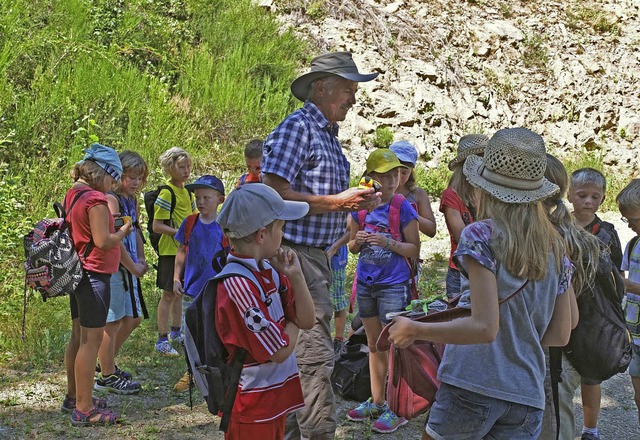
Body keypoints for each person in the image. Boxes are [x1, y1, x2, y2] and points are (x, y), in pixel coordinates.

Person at [386, 128, 575, 439]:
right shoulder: (555, 246)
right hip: (526, 393)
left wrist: (416, 330)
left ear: (482, 189)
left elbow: (485, 327)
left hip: (473, 382)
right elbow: (560, 332)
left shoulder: (480, 236)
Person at [262, 51, 380, 440]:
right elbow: (271, 194)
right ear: (321, 87)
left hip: (312, 257)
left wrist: (357, 202)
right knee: (313, 358)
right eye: (347, 89)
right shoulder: (300, 128)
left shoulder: (325, 133)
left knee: (304, 359)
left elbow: (310, 196)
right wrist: (338, 202)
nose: (353, 98)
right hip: (295, 256)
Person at [215, 183, 315, 440]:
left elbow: (307, 319)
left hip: (273, 399)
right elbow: (280, 351)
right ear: (262, 235)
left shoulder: (270, 270)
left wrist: (296, 275)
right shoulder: (238, 285)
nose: (283, 234)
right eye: (280, 228)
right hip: (252, 407)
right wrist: (291, 324)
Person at [346, 148, 420, 433]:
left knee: (396, 347)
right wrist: (360, 240)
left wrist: (389, 243)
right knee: (375, 345)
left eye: (395, 175)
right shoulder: (360, 207)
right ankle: (377, 401)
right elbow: (352, 246)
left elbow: (414, 248)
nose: (391, 181)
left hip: (393, 285)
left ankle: (398, 407)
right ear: (371, 177)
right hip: (367, 284)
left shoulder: (403, 206)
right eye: (384, 176)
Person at [62, 143, 132, 426]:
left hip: (78, 272)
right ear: (102, 172)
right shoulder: (95, 200)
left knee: (78, 338)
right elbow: (103, 241)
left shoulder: (74, 193)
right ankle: (85, 409)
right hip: (94, 276)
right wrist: (123, 230)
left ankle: (74, 397)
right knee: (91, 342)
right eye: (112, 179)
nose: (112, 186)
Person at [558, 167, 624, 440]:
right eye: (582, 195)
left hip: (595, 312)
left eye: (594, 197)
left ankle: (591, 429)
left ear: (603, 199)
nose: (588, 201)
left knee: (592, 374)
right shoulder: (558, 227)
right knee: (561, 373)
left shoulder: (607, 233)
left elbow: (616, 275)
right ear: (570, 195)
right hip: (564, 307)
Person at [541, 154, 599, 439]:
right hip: (565, 343)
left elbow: (569, 318)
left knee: (554, 413)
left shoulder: (561, 240)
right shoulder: (573, 237)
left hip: (560, 348)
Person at [95, 150, 150, 394]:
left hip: (128, 267)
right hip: (115, 268)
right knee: (113, 322)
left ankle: (106, 364)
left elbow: (135, 230)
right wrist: (132, 265)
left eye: (140, 178)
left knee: (133, 318)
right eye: (131, 177)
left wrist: (142, 259)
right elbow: (115, 239)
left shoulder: (132, 200)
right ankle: (106, 374)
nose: (136, 183)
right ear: (119, 176)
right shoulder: (112, 199)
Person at [171, 175, 227, 392]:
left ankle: (217, 370)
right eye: (198, 198)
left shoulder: (224, 226)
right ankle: (191, 371)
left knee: (216, 330)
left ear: (220, 199)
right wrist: (177, 278)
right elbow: (181, 251)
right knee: (190, 332)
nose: (201, 202)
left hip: (217, 291)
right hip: (192, 290)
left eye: (206, 197)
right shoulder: (190, 223)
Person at [153, 147, 196, 357]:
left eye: (188, 166)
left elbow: (194, 218)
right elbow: (157, 226)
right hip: (170, 251)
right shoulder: (166, 192)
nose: (186, 171)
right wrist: (180, 233)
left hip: (185, 250)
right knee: (169, 294)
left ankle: (176, 332)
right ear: (170, 168)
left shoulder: (188, 192)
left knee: (179, 292)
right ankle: (162, 339)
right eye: (181, 167)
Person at [438, 134, 488, 299]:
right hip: (461, 269)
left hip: (489, 266)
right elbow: (462, 236)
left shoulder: (489, 190)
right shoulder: (451, 195)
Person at [616, 179, 640, 427]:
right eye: (627, 220)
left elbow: (629, 285)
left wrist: (632, 288)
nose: (631, 225)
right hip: (636, 335)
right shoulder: (633, 244)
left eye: (635, 219)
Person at [389, 140, 436, 237]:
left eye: (404, 172)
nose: (398, 176)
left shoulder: (418, 194)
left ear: (411, 172)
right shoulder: (378, 191)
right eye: (394, 170)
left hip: (407, 250)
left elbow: (431, 230)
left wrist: (409, 211)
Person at [326, 226, 350, 354]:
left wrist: (334, 247)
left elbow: (351, 229)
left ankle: (339, 340)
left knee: (337, 300)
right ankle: (324, 337)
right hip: (316, 256)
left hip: (335, 259)